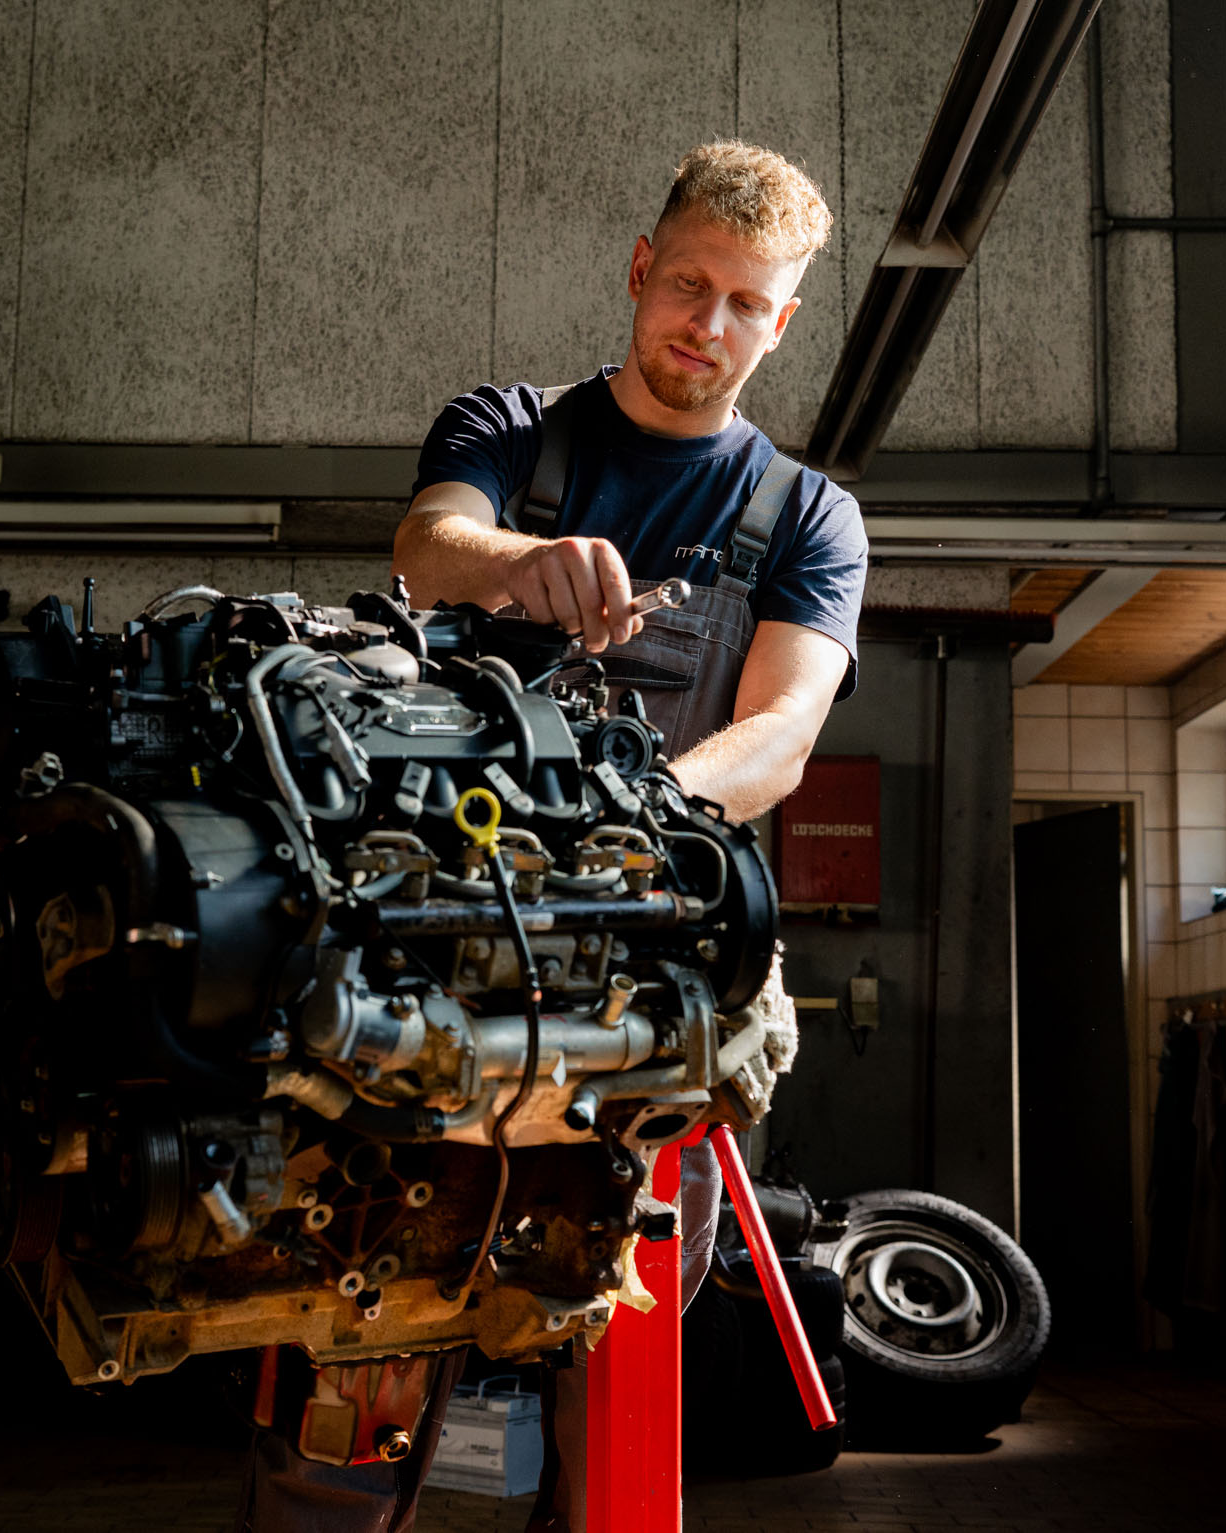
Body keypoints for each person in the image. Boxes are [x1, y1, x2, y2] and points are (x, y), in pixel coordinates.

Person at [236, 139, 866, 1533]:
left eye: (745, 303)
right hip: (429, 951)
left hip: (641, 985)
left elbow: (780, 735)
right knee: (360, 1339)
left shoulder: (807, 516)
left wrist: (630, 845)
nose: (708, 324)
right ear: (641, 270)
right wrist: (521, 564)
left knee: (610, 1335)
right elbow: (425, 545)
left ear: (784, 321)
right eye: (688, 283)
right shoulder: (513, 434)